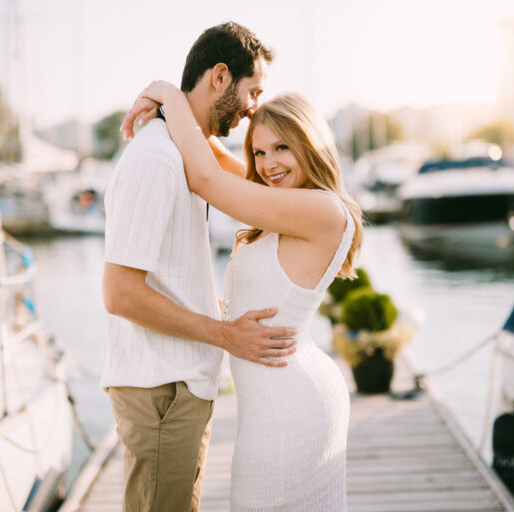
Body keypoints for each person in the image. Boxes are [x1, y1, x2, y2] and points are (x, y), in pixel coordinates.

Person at [122, 83, 363, 511]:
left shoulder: (322, 210)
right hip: (268, 401)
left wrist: (164, 92)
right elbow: (212, 156)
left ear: (312, 144)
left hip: (290, 402)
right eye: (259, 152)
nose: (268, 164)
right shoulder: (283, 200)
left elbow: (204, 177)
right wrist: (181, 105)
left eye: (283, 148)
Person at [101, 22, 297, 512]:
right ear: (220, 76)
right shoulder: (158, 160)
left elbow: (231, 172)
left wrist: (168, 94)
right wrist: (226, 334)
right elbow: (120, 293)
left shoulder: (180, 149)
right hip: (160, 391)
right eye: (253, 91)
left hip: (176, 388)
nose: (255, 107)